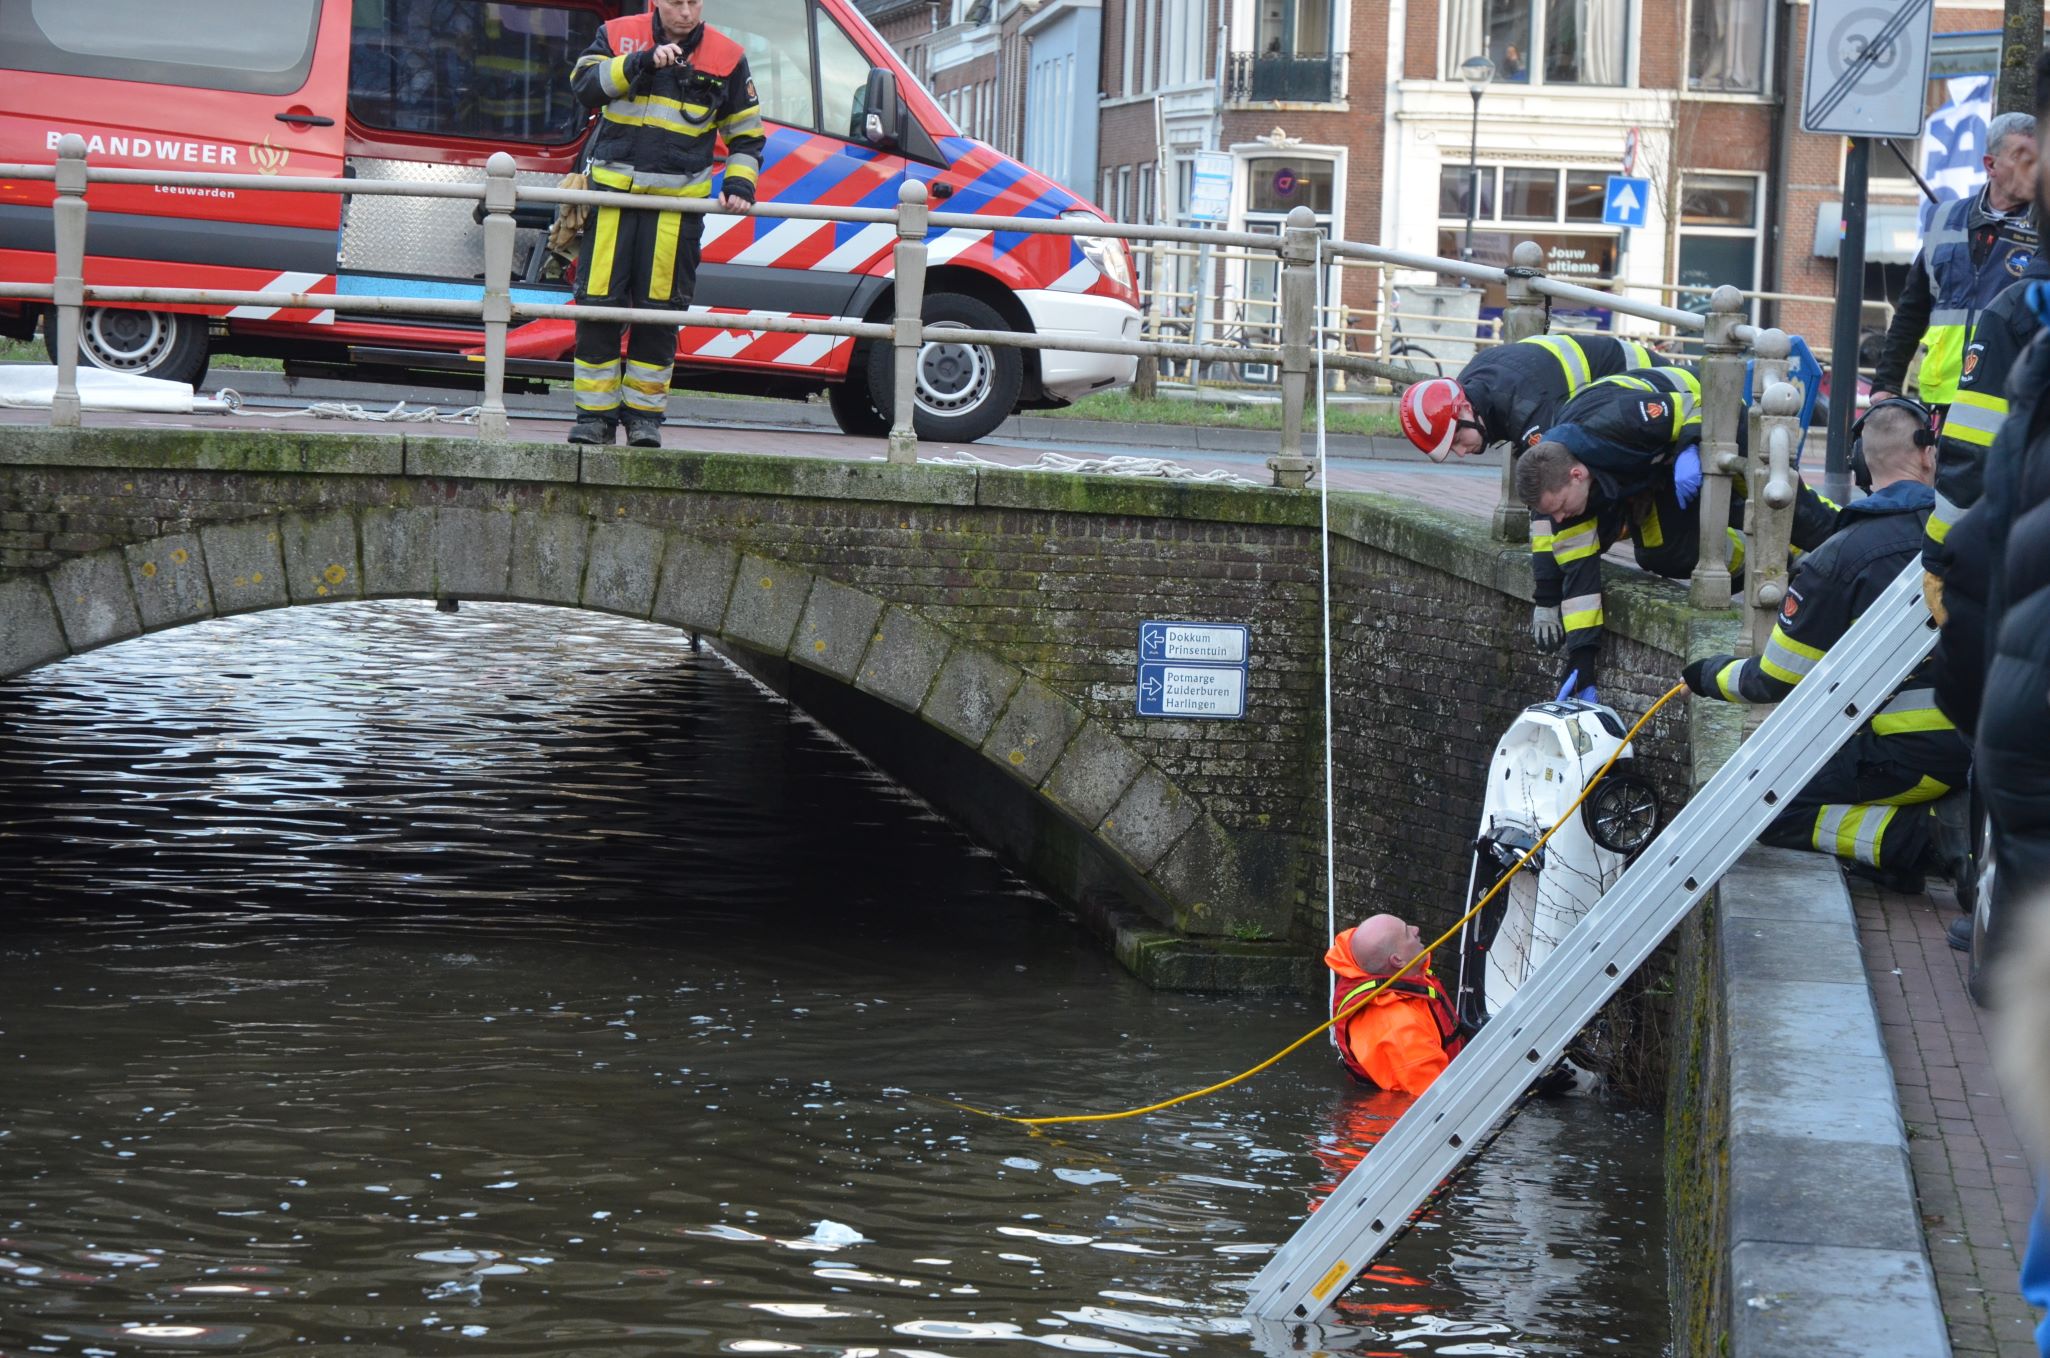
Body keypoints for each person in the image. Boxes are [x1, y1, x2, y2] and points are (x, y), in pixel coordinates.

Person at [1681, 401, 1970, 889]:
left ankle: (1927, 838)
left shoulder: (1839, 558)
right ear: (1928, 455)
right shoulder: (1973, 533)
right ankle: (1907, 846)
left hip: (1916, 751)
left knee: (1769, 807)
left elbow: (1774, 678)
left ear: (1858, 464)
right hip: (1990, 745)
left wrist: (1704, 675)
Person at [1514, 367, 1840, 700]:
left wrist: (1688, 447)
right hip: (1658, 462)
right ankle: (1780, 560)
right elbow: (1579, 578)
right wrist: (1581, 662)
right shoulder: (1565, 491)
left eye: (1558, 507)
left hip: (1710, 415)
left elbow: (1695, 404)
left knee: (1783, 505)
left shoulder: (1621, 420)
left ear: (1577, 474)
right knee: (1661, 553)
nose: (1557, 518)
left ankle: (1853, 538)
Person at [565, 0, 765, 447]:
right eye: (677, 3)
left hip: (676, 211)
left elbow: (747, 136)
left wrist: (739, 183)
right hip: (612, 200)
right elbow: (584, 86)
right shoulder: (619, 35)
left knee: (659, 316)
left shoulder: (727, 55)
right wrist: (636, 63)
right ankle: (593, 421)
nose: (687, 13)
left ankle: (644, 421)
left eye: (695, 2)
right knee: (598, 308)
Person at [1871, 111, 2039, 411]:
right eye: (2022, 157)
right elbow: (1913, 309)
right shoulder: (1944, 220)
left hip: (2010, 400)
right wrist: (1886, 384)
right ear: (1991, 164)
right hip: (1942, 401)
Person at [1324, 913, 1464, 1096]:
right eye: (1407, 933)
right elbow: (1438, 1098)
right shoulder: (1400, 1029)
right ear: (1397, 960)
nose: (1416, 929)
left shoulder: (1364, 964)